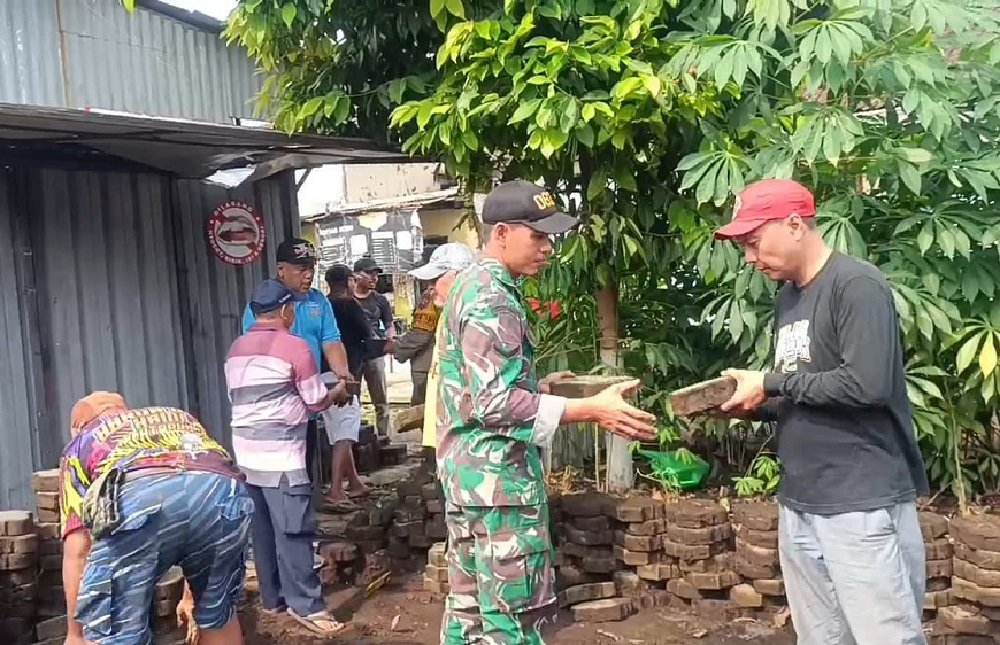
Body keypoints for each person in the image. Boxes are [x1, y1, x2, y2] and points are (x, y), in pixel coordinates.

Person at [436, 180, 658, 645]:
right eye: (537, 235)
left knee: (468, 613)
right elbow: (495, 404)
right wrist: (591, 409)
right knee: (514, 618)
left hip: (469, 481)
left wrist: (537, 387)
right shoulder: (492, 297)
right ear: (500, 233)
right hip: (500, 488)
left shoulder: (469, 286)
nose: (548, 248)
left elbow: (475, 389)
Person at [711, 178, 929, 645]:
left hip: (859, 501)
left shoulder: (856, 284)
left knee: (886, 636)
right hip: (802, 500)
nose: (749, 257)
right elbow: (807, 389)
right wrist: (754, 403)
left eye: (753, 242)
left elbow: (867, 385)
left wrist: (769, 382)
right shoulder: (788, 297)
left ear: (794, 224)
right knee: (822, 637)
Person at [60, 392, 251, 645]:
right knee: (218, 616)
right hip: (224, 493)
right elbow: (194, 494)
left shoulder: (81, 443)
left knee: (117, 630)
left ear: (77, 427)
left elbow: (78, 550)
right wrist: (193, 598)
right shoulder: (177, 417)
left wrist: (76, 634)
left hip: (141, 495)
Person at [225, 279, 350, 636]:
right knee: (294, 531)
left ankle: (272, 598)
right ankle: (307, 605)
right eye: (291, 307)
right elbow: (314, 400)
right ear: (284, 310)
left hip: (247, 455)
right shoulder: (294, 347)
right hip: (282, 456)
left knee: (263, 531)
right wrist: (337, 392)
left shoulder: (236, 348)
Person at [241, 238, 349, 488]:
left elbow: (331, 341)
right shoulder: (263, 305)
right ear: (281, 270)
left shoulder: (318, 301)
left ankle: (300, 524)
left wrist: (343, 375)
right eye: (301, 269)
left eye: (312, 268)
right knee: (275, 480)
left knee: (302, 472)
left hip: (307, 409)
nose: (309, 275)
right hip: (275, 410)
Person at [396, 242, 477, 406]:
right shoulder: (452, 307)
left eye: (435, 279)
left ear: (457, 275)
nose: (430, 288)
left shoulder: (481, 312)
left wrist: (398, 349)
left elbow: (420, 333)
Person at [322, 264, 373, 507]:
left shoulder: (322, 305)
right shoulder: (350, 305)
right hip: (346, 374)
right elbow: (367, 333)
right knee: (344, 434)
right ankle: (335, 490)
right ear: (349, 282)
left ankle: (353, 483)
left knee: (340, 429)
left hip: (323, 374)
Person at [353, 256, 394, 437]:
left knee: (381, 400)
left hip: (375, 353)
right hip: (353, 354)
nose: (374, 278)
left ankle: (385, 437)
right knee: (352, 400)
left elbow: (389, 323)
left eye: (376, 274)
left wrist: (389, 338)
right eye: (369, 273)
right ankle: (354, 437)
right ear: (356, 275)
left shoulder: (380, 300)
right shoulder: (347, 300)